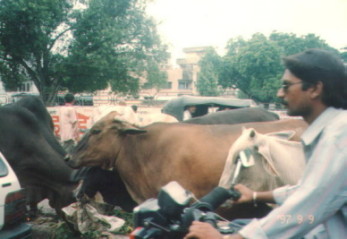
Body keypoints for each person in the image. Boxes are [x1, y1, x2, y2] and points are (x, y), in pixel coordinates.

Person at [184, 49, 347, 239]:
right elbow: (307, 189)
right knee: (240, 224)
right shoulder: (332, 130)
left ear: (315, 89)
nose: (279, 94)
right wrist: (255, 196)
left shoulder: (338, 137)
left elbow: (305, 207)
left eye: (286, 86)